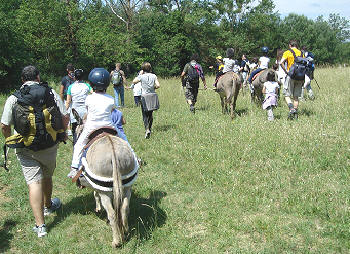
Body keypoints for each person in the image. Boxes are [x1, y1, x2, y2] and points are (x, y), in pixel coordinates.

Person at [1, 65, 69, 237]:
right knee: (47, 176)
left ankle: (41, 227)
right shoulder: (51, 93)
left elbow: (4, 125)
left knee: (34, 183)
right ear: (38, 77)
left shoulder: (14, 98)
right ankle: (48, 206)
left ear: (23, 80)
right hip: (50, 145)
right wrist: (62, 134)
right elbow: (64, 116)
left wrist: (9, 140)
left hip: (25, 147)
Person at [69, 68, 115, 177]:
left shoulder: (89, 99)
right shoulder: (111, 98)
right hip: (109, 126)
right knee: (123, 138)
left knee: (79, 144)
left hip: (92, 127)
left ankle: (74, 167)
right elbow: (111, 110)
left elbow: (88, 111)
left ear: (91, 83)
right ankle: (133, 156)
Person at [132, 62, 160, 138]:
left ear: (143, 69)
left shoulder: (141, 76)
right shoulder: (154, 76)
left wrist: (140, 74)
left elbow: (134, 81)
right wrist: (153, 88)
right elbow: (158, 85)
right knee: (150, 114)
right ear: (150, 68)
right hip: (152, 96)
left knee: (144, 115)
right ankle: (149, 129)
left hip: (144, 96)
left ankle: (147, 129)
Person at [65, 69, 92, 144]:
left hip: (75, 113)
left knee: (75, 133)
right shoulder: (87, 85)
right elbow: (93, 93)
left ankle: (76, 150)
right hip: (85, 112)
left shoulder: (71, 87)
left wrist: (64, 112)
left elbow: (68, 102)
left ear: (74, 77)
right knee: (86, 133)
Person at [280, 40, 304, 120]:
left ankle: (291, 108)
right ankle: (296, 113)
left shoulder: (287, 52)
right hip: (300, 76)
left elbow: (281, 62)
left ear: (290, 45)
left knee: (286, 95)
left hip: (291, 75)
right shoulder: (301, 53)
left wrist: (286, 70)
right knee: (296, 97)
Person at [60, 63, 75, 136]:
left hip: (67, 99)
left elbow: (61, 92)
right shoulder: (75, 78)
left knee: (67, 114)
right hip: (75, 99)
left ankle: (69, 130)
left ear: (67, 70)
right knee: (74, 114)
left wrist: (61, 101)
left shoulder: (64, 79)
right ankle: (74, 128)